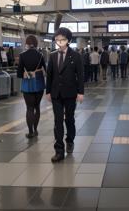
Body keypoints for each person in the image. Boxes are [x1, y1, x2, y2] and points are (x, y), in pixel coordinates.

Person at [46, 28, 84, 162]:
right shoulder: (53, 55)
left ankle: (70, 140)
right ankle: (59, 150)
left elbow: (80, 75)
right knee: (57, 121)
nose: (59, 42)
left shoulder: (75, 56)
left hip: (70, 93)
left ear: (68, 40)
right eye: (57, 40)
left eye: (62, 40)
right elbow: (49, 75)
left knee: (69, 119)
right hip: (56, 93)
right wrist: (48, 92)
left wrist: (80, 93)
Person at [17, 35, 46, 139]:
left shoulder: (22, 55)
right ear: (36, 43)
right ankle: (35, 130)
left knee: (29, 108)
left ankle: (30, 132)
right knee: (37, 107)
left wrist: (27, 73)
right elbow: (46, 70)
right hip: (39, 83)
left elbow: (19, 73)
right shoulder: (41, 55)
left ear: (27, 44)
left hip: (27, 84)